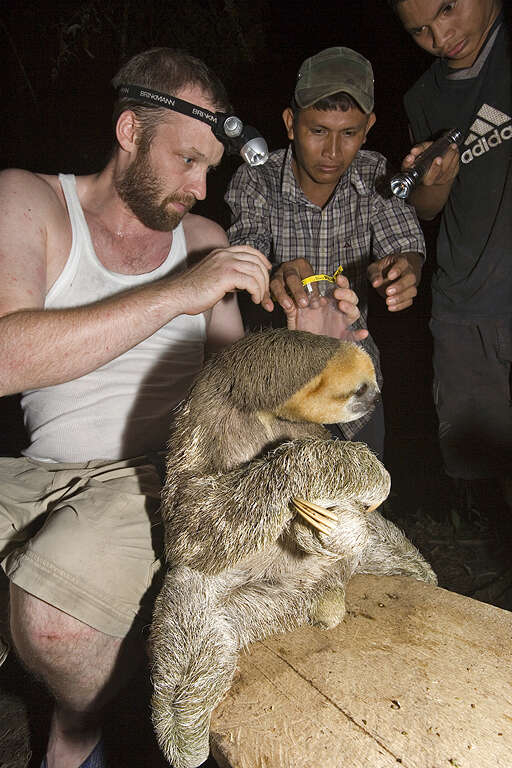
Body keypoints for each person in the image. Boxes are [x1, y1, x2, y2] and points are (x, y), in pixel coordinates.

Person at [0, 47, 290, 768]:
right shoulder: (31, 200)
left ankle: (79, 730)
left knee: (56, 625)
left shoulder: (203, 242)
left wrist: (304, 347)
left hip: (147, 472)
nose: (199, 187)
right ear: (130, 132)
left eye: (209, 171)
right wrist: (176, 296)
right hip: (33, 471)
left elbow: (233, 387)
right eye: (187, 161)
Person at [225, 46, 426, 460]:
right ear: (290, 123)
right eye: (318, 131)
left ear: (368, 128)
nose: (333, 151)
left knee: (360, 512)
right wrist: (275, 273)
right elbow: (244, 252)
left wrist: (405, 269)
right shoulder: (255, 179)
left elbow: (406, 249)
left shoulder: (374, 174)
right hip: (273, 388)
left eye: (348, 133)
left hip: (352, 381)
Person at [389, 0, 512, 516]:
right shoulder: (425, 97)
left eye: (447, 8)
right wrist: (431, 182)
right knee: (488, 463)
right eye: (420, 30)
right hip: (468, 299)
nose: (440, 36)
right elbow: (427, 208)